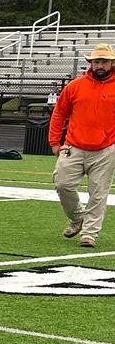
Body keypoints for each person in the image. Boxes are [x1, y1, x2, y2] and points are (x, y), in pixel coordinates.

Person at [50, 42, 115, 249]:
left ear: (112, 63)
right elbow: (59, 113)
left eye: (104, 61)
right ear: (90, 63)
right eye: (96, 61)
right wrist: (54, 141)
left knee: (98, 193)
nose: (100, 65)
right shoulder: (75, 86)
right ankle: (78, 218)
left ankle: (89, 234)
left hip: (106, 148)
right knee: (62, 183)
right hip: (74, 146)